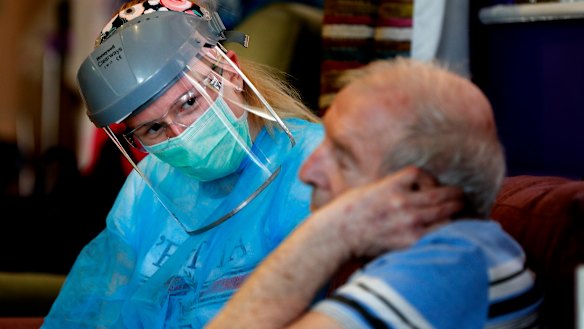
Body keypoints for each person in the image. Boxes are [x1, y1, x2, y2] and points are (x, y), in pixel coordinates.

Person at [42, 0, 323, 328]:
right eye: (154, 129)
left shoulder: (316, 162)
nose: (181, 134)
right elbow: (91, 309)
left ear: (231, 72)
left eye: (189, 103)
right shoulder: (148, 186)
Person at [207, 58, 543, 329]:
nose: (308, 172)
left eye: (342, 156)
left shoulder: (448, 266)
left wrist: (330, 232)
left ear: (414, 190)